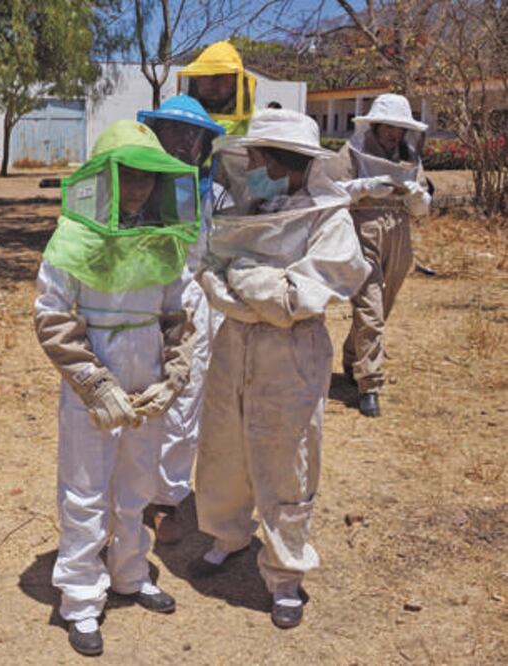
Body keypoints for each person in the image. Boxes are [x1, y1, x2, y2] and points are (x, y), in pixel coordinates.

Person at [191, 110, 371, 629]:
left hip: (290, 350)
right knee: (224, 444)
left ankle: (286, 574)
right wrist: (245, 290)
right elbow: (210, 271)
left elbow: (300, 297)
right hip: (235, 341)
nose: (248, 166)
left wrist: (243, 278)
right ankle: (228, 535)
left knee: (285, 458)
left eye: (257, 157)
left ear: (279, 161)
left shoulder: (328, 219)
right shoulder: (250, 207)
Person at [34, 120, 200, 656]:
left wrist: (172, 378)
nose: (138, 188)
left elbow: (179, 317)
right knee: (85, 491)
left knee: (137, 485)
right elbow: (52, 317)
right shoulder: (73, 235)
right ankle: (81, 599)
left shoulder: (166, 239)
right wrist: (93, 383)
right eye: (127, 175)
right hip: (94, 385)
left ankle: (130, 573)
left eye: (147, 177)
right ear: (103, 177)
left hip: (146, 377)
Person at [136, 95, 225, 542]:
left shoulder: (215, 188)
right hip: (137, 297)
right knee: (137, 391)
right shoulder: (135, 179)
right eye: (174, 131)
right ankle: (133, 492)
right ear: (157, 133)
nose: (184, 142)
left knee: (185, 397)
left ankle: (168, 497)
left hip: (192, 300)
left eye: (194, 134)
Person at [328, 94, 431, 417]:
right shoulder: (352, 151)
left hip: (399, 233)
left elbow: (423, 206)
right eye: (390, 127)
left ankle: (352, 356)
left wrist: (417, 196)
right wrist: (365, 187)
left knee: (382, 306)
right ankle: (369, 384)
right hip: (362, 228)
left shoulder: (409, 155)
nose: (394, 134)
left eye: (400, 128)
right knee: (369, 306)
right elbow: (331, 190)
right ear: (376, 124)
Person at [177, 40, 256, 136]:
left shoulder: (257, 121)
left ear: (236, 81)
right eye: (204, 76)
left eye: (219, 76)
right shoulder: (183, 115)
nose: (210, 84)